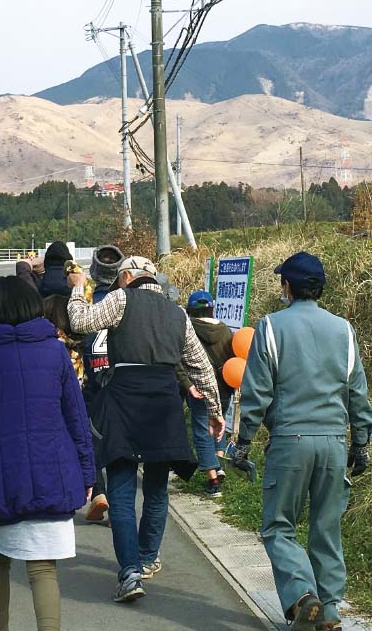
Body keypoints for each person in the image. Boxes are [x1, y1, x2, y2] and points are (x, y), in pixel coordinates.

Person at [67, 255, 225, 603]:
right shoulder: (178, 314)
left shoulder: (121, 299)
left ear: (126, 277)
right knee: (156, 489)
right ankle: (148, 557)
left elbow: (80, 322)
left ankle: (129, 572)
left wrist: (78, 291)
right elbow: (199, 366)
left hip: (125, 400)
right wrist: (215, 410)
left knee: (122, 490)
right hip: (164, 403)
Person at [232, 252, 372, 631]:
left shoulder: (271, 327)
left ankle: (301, 594)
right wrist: (360, 443)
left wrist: (242, 443)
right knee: (326, 529)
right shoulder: (344, 330)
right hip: (332, 443)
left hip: (290, 440)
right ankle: (328, 613)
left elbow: (257, 390)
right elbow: (357, 391)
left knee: (279, 526)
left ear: (288, 286)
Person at [0, 276, 95, 631]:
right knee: (43, 568)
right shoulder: (54, 350)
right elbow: (76, 417)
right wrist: (87, 473)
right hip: (53, 471)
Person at [81, 245, 125, 523]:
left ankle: (99, 490)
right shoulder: (125, 302)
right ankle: (121, 504)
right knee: (120, 441)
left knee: (91, 435)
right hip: (121, 378)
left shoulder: (86, 301)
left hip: (91, 377)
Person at [186, 289, 235, 498]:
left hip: (199, 388)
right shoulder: (225, 330)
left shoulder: (188, 330)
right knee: (219, 423)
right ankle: (220, 462)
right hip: (224, 386)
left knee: (202, 430)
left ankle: (213, 480)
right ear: (212, 309)